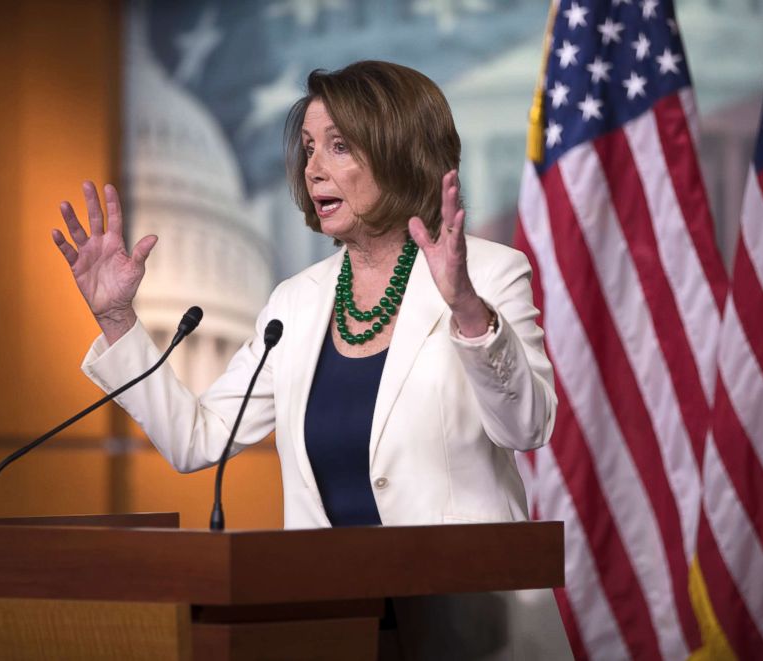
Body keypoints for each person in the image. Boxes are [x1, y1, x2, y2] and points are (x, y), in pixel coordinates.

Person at [53, 60, 569, 660]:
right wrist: (118, 320)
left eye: (339, 146)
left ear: (399, 152)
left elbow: (526, 427)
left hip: (471, 624)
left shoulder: (488, 274)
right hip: (336, 625)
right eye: (307, 148)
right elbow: (197, 440)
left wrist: (468, 312)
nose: (313, 168)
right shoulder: (295, 303)